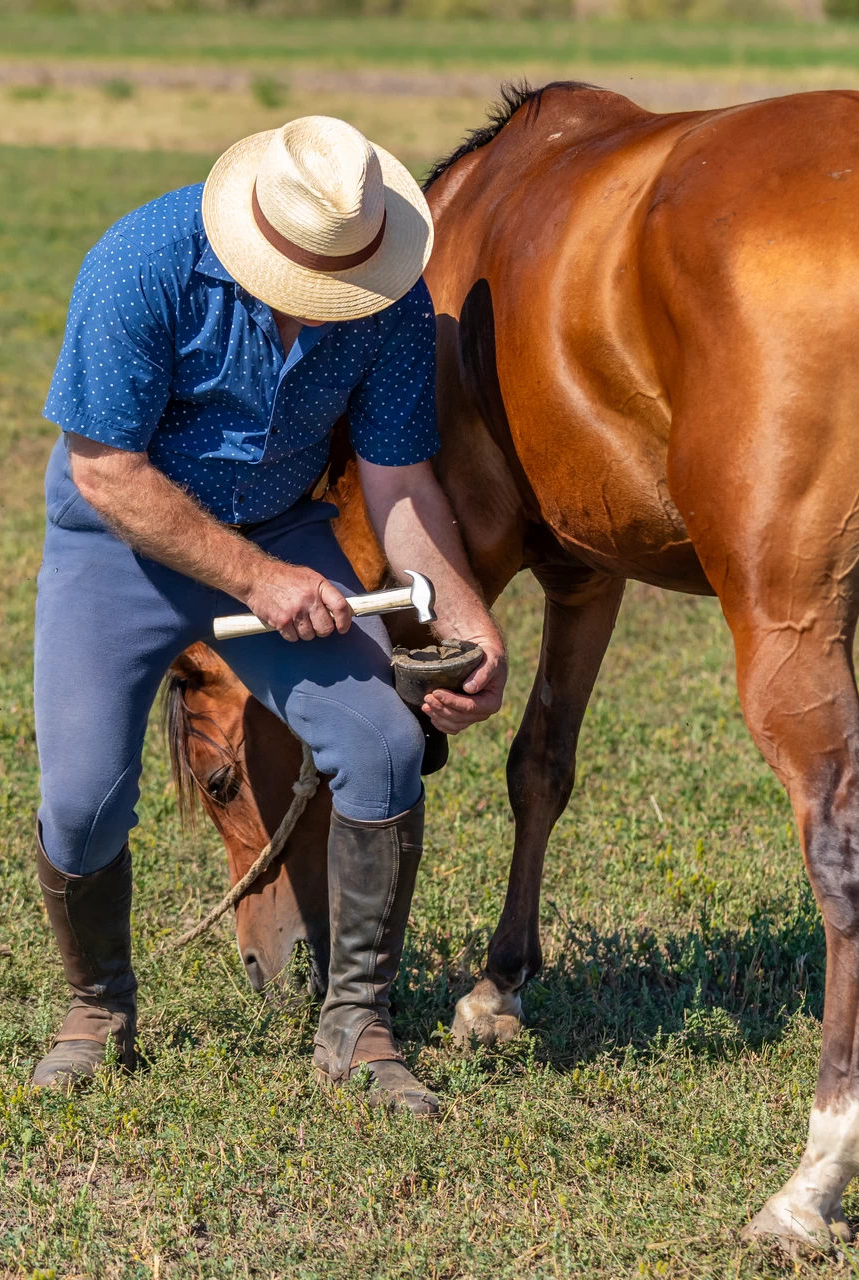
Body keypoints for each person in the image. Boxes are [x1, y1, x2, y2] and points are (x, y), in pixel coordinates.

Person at [31, 116, 506, 1114]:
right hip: (119, 540)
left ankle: (356, 1026)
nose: (327, 304)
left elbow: (396, 480)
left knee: (380, 743)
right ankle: (97, 1007)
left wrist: (467, 621)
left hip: (282, 531)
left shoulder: (386, 299)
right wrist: (256, 581)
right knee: (81, 801)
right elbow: (104, 469)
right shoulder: (138, 263)